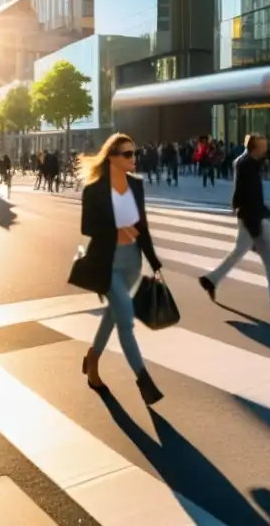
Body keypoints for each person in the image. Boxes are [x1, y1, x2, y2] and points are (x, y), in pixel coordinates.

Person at [75, 133, 164, 405]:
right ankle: (144, 380)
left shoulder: (136, 186)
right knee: (125, 320)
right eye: (127, 154)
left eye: (133, 153)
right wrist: (116, 230)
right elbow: (86, 228)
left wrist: (154, 260)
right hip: (108, 261)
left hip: (133, 262)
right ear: (111, 157)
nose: (132, 158)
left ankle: (92, 360)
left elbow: (143, 225)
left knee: (113, 314)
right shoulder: (94, 189)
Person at [198, 134, 270, 313]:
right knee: (267, 258)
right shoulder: (247, 165)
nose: (265, 149)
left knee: (240, 251)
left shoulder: (246, 162)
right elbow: (247, 193)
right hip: (251, 217)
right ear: (254, 148)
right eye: (263, 146)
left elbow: (241, 192)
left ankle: (211, 279)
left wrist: (243, 207)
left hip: (249, 214)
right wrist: (256, 221)